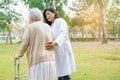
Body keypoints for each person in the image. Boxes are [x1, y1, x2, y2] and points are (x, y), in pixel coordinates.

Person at [15, 8, 56, 80]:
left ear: (31, 18)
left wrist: (18, 55)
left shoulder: (30, 27)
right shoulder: (48, 27)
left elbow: (24, 43)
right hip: (51, 60)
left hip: (37, 61)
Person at [43, 7, 76, 80]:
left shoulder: (60, 21)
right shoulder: (51, 25)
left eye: (48, 13)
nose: (47, 16)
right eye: (46, 15)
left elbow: (63, 33)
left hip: (63, 51)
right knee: (60, 74)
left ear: (54, 13)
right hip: (56, 53)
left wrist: (55, 42)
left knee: (64, 75)